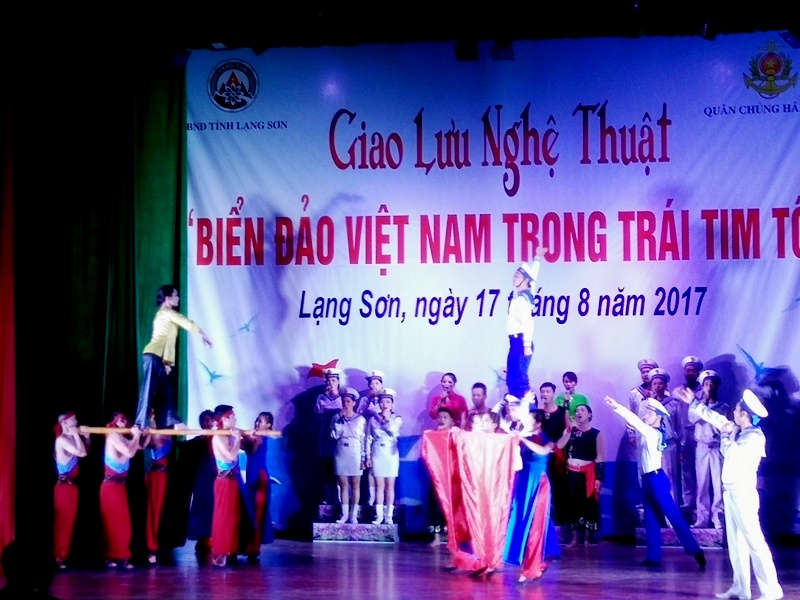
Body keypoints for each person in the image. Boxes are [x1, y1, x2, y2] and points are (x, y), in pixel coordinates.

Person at [676, 387, 784, 600]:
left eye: (736, 410)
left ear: (744, 414)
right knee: (736, 543)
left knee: (754, 541)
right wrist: (694, 402)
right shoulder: (738, 430)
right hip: (731, 492)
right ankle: (740, 587)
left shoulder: (754, 437)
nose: (733, 412)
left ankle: (771, 589)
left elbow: (732, 454)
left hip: (743, 493)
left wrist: (725, 436)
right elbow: (715, 418)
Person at [602, 395, 705, 570]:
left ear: (658, 416)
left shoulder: (652, 433)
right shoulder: (649, 432)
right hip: (648, 479)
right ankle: (653, 556)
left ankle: (695, 550)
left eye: (649, 413)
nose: (646, 415)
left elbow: (635, 421)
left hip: (656, 480)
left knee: (672, 515)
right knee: (650, 518)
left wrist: (617, 406)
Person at [135, 284, 213, 429]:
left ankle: (174, 421)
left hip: (158, 358)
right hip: (152, 355)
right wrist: (203, 333)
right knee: (149, 389)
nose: (178, 298)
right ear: (168, 298)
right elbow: (185, 322)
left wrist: (167, 363)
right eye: (176, 295)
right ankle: (139, 423)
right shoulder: (166, 312)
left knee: (165, 392)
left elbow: (169, 341)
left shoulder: (168, 315)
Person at [505, 409, 554, 584]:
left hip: (539, 485)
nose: (525, 422)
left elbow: (544, 451)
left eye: (529, 420)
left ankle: (531, 568)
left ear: (538, 423)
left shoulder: (546, 439)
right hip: (523, 484)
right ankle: (531, 564)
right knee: (520, 522)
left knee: (535, 526)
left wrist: (522, 439)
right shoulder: (524, 437)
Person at [557, 404, 604, 546]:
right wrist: (569, 431)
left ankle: (588, 538)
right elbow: (559, 446)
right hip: (572, 473)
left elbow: (600, 457)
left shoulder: (596, 433)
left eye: (582, 410)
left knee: (590, 504)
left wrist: (599, 478)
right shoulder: (570, 431)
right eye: (577, 411)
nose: (579, 412)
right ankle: (575, 538)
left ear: (589, 414)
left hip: (589, 473)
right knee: (573, 504)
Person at [100, 412, 142, 569]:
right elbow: (130, 452)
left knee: (122, 523)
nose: (124, 422)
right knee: (114, 523)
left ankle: (118, 556)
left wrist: (143, 434)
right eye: (120, 420)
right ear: (114, 421)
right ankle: (115, 556)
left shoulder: (123, 437)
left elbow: (139, 446)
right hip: (111, 486)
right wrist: (136, 436)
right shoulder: (113, 435)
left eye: (125, 420)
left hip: (119, 486)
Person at [689, 370, 728, 529]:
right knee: (702, 484)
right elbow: (692, 419)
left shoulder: (723, 406)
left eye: (712, 384)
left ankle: (718, 518)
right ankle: (702, 518)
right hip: (702, 447)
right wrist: (702, 403)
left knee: (718, 484)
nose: (709, 386)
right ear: (702, 387)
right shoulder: (696, 406)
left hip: (716, 447)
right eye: (706, 384)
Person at [506, 248, 545, 404]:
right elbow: (533, 277)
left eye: (517, 276)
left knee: (519, 380)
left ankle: (530, 410)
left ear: (525, 280)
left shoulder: (522, 300)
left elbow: (528, 322)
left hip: (520, 342)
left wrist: (526, 345)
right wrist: (537, 258)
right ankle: (517, 409)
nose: (514, 277)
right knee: (512, 379)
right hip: (515, 342)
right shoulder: (527, 294)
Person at [210, 404, 247, 567]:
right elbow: (231, 457)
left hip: (232, 481)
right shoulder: (218, 437)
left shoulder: (230, 433)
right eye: (232, 416)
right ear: (224, 419)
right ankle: (219, 552)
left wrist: (246, 436)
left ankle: (230, 549)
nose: (235, 419)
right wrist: (238, 438)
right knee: (223, 515)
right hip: (223, 482)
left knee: (233, 516)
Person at [178, 409, 216, 562]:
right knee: (201, 509)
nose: (206, 423)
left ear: (213, 422)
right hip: (201, 480)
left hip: (214, 478)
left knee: (214, 507)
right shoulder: (196, 441)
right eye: (204, 420)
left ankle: (214, 538)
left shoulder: (217, 438)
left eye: (208, 420)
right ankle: (202, 539)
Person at [53, 412, 88, 570]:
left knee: (70, 523)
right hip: (63, 488)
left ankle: (63, 555)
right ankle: (58, 556)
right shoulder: (61, 440)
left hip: (72, 487)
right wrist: (76, 435)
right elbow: (82, 453)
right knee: (63, 522)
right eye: (73, 420)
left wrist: (87, 438)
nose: (76, 422)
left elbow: (85, 450)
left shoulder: (71, 439)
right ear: (65, 423)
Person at [241, 411, 276, 563]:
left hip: (259, 479)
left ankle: (254, 546)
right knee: (249, 511)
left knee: (257, 513)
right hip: (251, 477)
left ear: (268, 425)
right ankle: (247, 545)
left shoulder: (260, 437)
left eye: (260, 421)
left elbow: (253, 445)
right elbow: (241, 444)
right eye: (256, 420)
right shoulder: (254, 437)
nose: (256, 423)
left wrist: (240, 433)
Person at [366, 388, 403, 525]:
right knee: (379, 485)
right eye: (382, 402)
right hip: (377, 452)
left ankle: (389, 516)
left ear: (392, 404)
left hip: (390, 452)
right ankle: (379, 515)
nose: (385, 404)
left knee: (390, 486)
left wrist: (386, 420)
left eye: (388, 401)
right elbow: (368, 438)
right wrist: (367, 456)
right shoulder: (372, 419)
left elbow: (393, 431)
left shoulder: (397, 419)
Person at [331, 387, 367, 524]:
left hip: (355, 452)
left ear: (354, 403)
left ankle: (354, 515)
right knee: (343, 485)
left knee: (355, 485)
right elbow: (334, 435)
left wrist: (364, 458)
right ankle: (344, 514)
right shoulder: (336, 417)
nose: (346, 404)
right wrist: (339, 420)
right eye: (344, 401)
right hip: (341, 451)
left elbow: (363, 439)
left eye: (348, 401)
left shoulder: (360, 419)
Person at [142, 411, 173, 565]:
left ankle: (155, 545)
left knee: (160, 513)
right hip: (155, 476)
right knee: (152, 511)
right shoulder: (153, 435)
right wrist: (152, 424)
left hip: (164, 476)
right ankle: (150, 547)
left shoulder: (166, 433)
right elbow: (153, 441)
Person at [627, 359, 659, 502]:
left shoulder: (663, 391)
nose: (645, 374)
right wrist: (631, 433)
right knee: (642, 467)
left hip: (657, 435)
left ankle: (661, 501)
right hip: (641, 434)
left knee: (659, 467)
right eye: (643, 372)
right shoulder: (635, 393)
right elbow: (631, 413)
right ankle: (646, 501)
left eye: (648, 371)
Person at [539, 381, 569, 527]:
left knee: (559, 487)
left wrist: (558, 445)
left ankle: (560, 523)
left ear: (554, 393)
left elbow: (568, 431)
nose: (544, 394)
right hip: (542, 454)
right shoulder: (538, 413)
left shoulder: (563, 412)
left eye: (547, 391)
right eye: (542, 391)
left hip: (559, 454)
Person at [649, 368, 681, 503]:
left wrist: (681, 447)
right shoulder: (646, 404)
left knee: (670, 478)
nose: (657, 386)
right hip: (652, 446)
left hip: (668, 444)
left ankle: (672, 511)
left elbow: (679, 426)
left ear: (665, 385)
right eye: (655, 383)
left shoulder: (673, 404)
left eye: (660, 383)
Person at [427, 406, 457, 546]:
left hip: (452, 475)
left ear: (452, 420)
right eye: (440, 417)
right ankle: (437, 536)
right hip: (436, 475)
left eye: (445, 417)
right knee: (435, 504)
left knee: (452, 505)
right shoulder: (432, 435)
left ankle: (452, 536)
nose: (442, 420)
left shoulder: (456, 434)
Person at [677, 355, 704, 511]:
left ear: (698, 373)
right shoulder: (677, 392)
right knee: (686, 469)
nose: (690, 373)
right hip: (683, 434)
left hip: (700, 433)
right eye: (688, 370)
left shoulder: (704, 391)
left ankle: (702, 502)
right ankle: (689, 500)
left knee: (701, 469)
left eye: (693, 371)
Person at [315, 367, 343, 506]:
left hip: (340, 437)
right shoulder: (321, 398)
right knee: (327, 467)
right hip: (325, 436)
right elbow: (317, 414)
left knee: (340, 468)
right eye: (328, 380)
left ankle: (340, 497)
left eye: (333, 380)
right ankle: (327, 497)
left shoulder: (344, 398)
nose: (330, 383)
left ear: (338, 381)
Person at [357, 369, 385, 506]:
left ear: (381, 384)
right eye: (372, 383)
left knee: (382, 468)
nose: (374, 386)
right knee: (370, 467)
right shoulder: (364, 399)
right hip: (368, 433)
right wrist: (368, 400)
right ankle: (370, 497)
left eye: (377, 383)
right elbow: (358, 414)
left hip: (381, 435)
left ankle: (382, 497)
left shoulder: (386, 399)